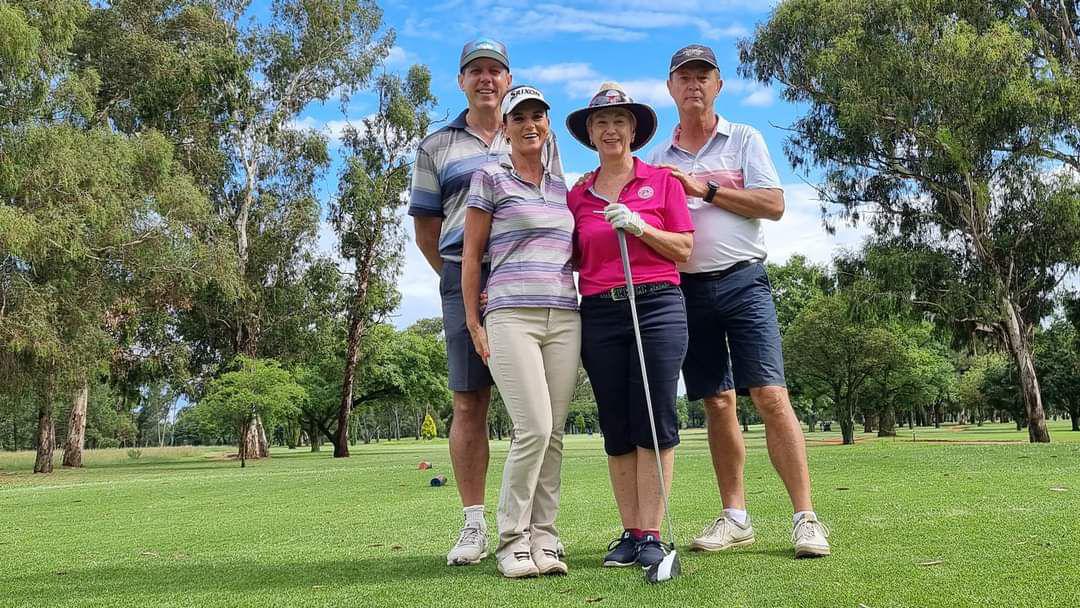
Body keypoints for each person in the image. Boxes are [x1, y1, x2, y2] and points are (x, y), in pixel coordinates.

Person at [648, 44, 831, 558]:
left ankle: (806, 517)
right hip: (686, 289)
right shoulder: (659, 158)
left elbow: (773, 204)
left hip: (744, 282)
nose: (693, 84)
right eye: (683, 76)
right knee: (717, 401)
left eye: (703, 76)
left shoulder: (744, 139)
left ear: (718, 85)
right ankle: (736, 517)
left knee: (771, 396)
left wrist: (704, 190)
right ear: (670, 88)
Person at [407, 38, 562, 567]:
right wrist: (465, 287)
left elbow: (554, 201)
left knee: (542, 414)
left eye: (496, 70)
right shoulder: (436, 145)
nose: (486, 79)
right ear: (462, 81)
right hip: (467, 275)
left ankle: (540, 530)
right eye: (476, 71)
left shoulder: (536, 130)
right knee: (470, 401)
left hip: (535, 284)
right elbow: (428, 227)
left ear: (509, 77)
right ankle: (475, 523)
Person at [565, 82, 694, 570]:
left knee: (654, 418)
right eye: (601, 122)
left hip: (657, 303)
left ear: (633, 129)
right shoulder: (578, 194)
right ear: (590, 133)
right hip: (599, 309)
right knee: (616, 423)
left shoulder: (661, 182)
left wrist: (640, 227)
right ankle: (630, 532)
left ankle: (654, 536)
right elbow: (573, 254)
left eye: (620, 121)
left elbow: (683, 249)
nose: (611, 129)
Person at [460, 85, 579, 579]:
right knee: (532, 428)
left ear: (547, 125)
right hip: (510, 314)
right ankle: (513, 539)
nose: (531, 123)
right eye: (520, 116)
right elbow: (471, 255)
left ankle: (545, 538)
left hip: (564, 317)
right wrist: (473, 319)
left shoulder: (560, 188)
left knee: (554, 435)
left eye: (538, 115)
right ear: (505, 128)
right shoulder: (489, 176)